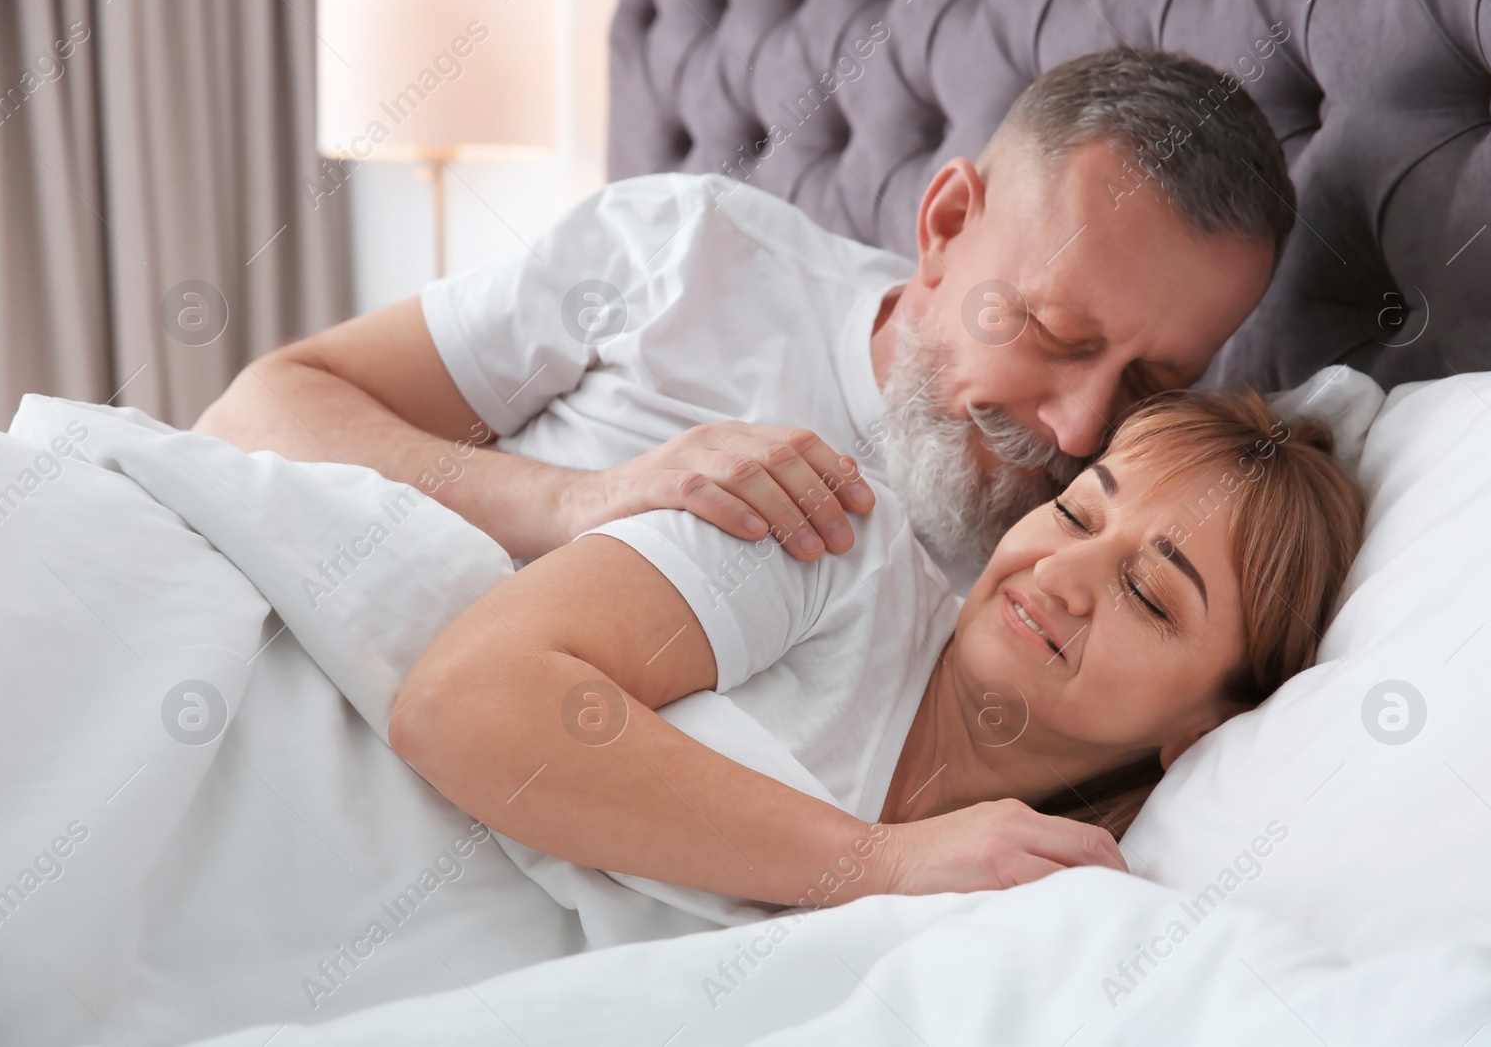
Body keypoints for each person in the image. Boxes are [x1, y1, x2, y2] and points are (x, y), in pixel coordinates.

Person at [194, 48, 1294, 592]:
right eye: (1057, 332)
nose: (1077, 429)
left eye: (1154, 380)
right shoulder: (688, 251)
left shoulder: (1093, 552)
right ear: (948, 221)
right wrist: (577, 502)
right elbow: (260, 410)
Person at [389, 389, 1364, 908]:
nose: (1058, 575)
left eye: (1148, 593)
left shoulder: (1034, 896)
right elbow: (463, 700)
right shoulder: (827, 539)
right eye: (1072, 512)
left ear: (1205, 724)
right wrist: (876, 861)